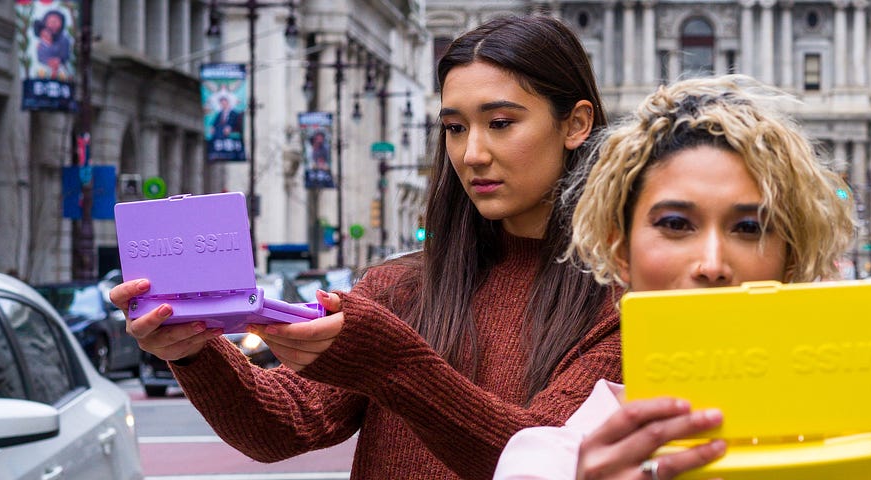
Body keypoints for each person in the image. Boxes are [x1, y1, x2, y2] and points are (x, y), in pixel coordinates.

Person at [109, 15, 619, 480]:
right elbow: (283, 426)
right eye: (454, 128)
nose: (472, 153)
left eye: (501, 123)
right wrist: (196, 349)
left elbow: (545, 462)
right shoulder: (401, 287)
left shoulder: (627, 303)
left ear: (576, 123)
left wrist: (394, 365)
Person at [494, 75, 856, 480]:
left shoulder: (849, 445)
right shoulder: (543, 461)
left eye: (750, 228)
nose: (712, 263)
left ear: (790, 260)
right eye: (676, 223)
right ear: (620, 249)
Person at [32, 9, 72, 80]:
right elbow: (40, 57)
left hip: (61, 68)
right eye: (51, 21)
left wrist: (59, 60)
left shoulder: (64, 39)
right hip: (45, 68)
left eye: (56, 21)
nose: (53, 23)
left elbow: (65, 54)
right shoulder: (41, 44)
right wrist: (48, 61)